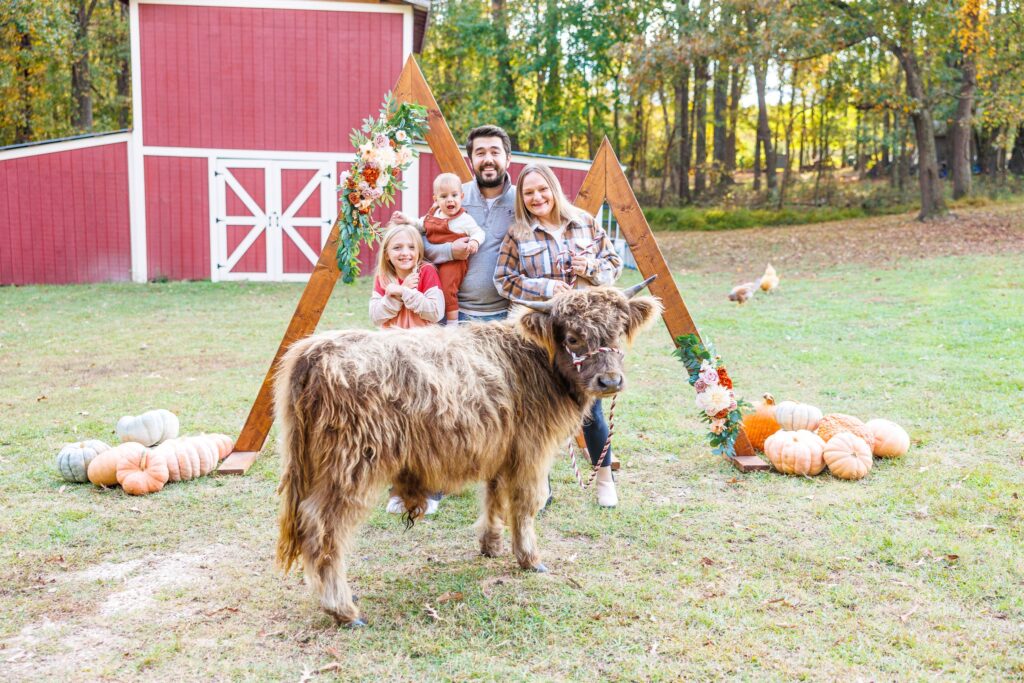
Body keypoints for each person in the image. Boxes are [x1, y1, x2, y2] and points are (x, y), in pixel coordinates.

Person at [493, 163, 623, 507]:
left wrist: (592, 270)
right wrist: (547, 287)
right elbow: (503, 279)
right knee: (538, 409)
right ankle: (541, 484)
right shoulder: (518, 233)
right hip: (541, 337)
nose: (537, 197)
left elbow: (613, 262)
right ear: (522, 198)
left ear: (553, 189)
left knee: (590, 408)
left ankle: (605, 480)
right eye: (528, 192)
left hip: (584, 337)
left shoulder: (585, 222)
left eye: (542, 189)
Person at [368, 222, 445, 515]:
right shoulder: (383, 277)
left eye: (411, 247)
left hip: (424, 357)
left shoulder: (426, 273)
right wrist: (395, 292)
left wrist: (407, 294)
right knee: (396, 424)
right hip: (392, 359)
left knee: (428, 423)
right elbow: (376, 315)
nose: (405, 252)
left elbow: (434, 311)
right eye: (398, 247)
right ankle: (400, 489)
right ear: (387, 253)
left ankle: (432, 489)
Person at [421, 125, 517, 324]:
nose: (488, 159)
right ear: (471, 161)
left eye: (495, 152)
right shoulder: (453, 197)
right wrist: (449, 251)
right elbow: (422, 243)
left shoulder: (522, 200)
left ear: (508, 158)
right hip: (452, 316)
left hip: (504, 317)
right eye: (480, 153)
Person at [393, 172, 485, 324]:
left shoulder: (464, 219)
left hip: (453, 263)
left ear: (461, 197)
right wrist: (407, 220)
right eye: (444, 196)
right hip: (433, 260)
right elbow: (420, 225)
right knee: (425, 284)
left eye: (454, 195)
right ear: (435, 199)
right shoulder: (434, 213)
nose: (450, 200)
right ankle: (425, 316)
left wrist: (474, 241)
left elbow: (479, 232)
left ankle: (452, 322)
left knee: (447, 288)